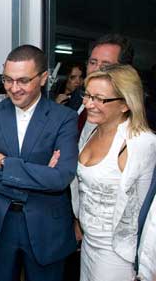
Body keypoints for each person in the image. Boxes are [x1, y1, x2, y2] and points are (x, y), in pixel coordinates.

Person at [0, 44, 78, 281]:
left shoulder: (64, 118)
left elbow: (61, 177)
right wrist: (40, 176)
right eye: (8, 80)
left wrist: (6, 164)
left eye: (23, 80)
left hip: (46, 229)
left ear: (43, 78)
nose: (14, 88)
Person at [70, 64, 156, 281]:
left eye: (100, 99)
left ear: (126, 104)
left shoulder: (142, 143)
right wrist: (79, 220)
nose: (89, 104)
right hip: (88, 243)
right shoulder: (90, 129)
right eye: (87, 95)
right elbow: (81, 184)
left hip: (117, 253)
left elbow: (148, 213)